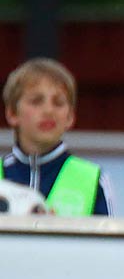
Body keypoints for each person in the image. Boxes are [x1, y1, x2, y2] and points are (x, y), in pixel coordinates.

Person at [3, 58, 114, 216]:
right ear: (12, 113)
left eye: (58, 103)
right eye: (36, 101)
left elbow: (107, 241)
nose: (48, 110)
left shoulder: (93, 179)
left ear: (70, 117)